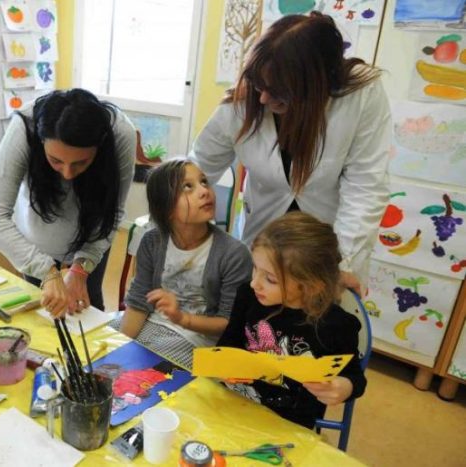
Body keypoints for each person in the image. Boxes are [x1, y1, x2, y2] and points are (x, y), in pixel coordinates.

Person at [190, 12, 391, 293]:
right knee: (255, 325)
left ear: (316, 86)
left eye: (278, 92)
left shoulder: (360, 97)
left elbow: (366, 185)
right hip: (262, 240)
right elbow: (197, 168)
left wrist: (344, 264)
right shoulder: (243, 101)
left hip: (326, 247)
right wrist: (173, 220)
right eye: (260, 85)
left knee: (311, 330)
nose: (263, 99)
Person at [0, 88, 136, 316]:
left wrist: (82, 269)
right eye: (55, 160)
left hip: (92, 235)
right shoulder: (26, 126)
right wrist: (47, 272)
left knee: (87, 309)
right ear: (42, 140)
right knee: (42, 313)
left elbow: (112, 212)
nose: (67, 174)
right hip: (37, 240)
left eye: (81, 163)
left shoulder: (120, 134)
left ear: (99, 146)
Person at [217, 212, 367, 429]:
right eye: (254, 268)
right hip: (234, 404)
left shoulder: (335, 326)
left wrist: (343, 387)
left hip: (288, 425)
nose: (254, 283)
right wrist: (224, 365)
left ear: (312, 285)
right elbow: (228, 344)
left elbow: (355, 378)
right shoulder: (248, 296)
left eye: (270, 279)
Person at [117, 158, 252, 370]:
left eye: (204, 182)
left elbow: (228, 324)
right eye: (188, 187)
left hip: (196, 341)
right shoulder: (152, 241)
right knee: (105, 343)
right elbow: (139, 301)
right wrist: (118, 349)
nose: (204, 191)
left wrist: (182, 318)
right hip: (152, 324)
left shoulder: (233, 254)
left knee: (149, 376)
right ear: (166, 207)